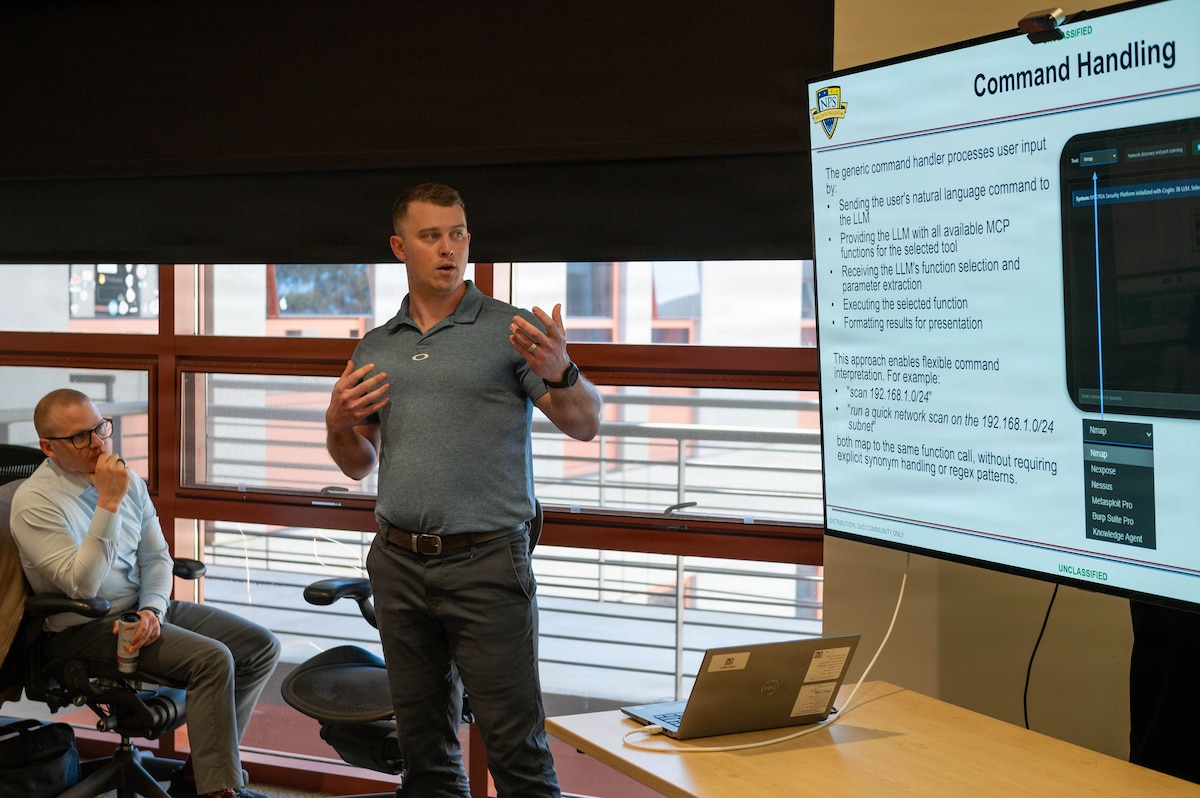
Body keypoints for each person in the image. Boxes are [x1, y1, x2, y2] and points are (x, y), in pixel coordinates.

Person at [325, 182, 603, 797]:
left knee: (516, 751)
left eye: (458, 234)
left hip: (487, 565)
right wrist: (336, 422)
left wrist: (563, 371)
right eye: (431, 236)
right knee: (425, 755)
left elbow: (585, 424)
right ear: (401, 247)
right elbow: (357, 465)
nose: (448, 248)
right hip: (398, 564)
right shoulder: (377, 346)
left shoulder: (513, 330)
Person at [9, 389, 281, 798]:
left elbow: (157, 558)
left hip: (143, 609)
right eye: (80, 437)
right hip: (86, 627)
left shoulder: (126, 480)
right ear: (48, 447)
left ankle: (199, 777)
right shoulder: (35, 502)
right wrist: (109, 502)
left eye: (101, 427)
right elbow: (83, 586)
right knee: (213, 660)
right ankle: (220, 792)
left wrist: (154, 608)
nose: (99, 443)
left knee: (260, 647)